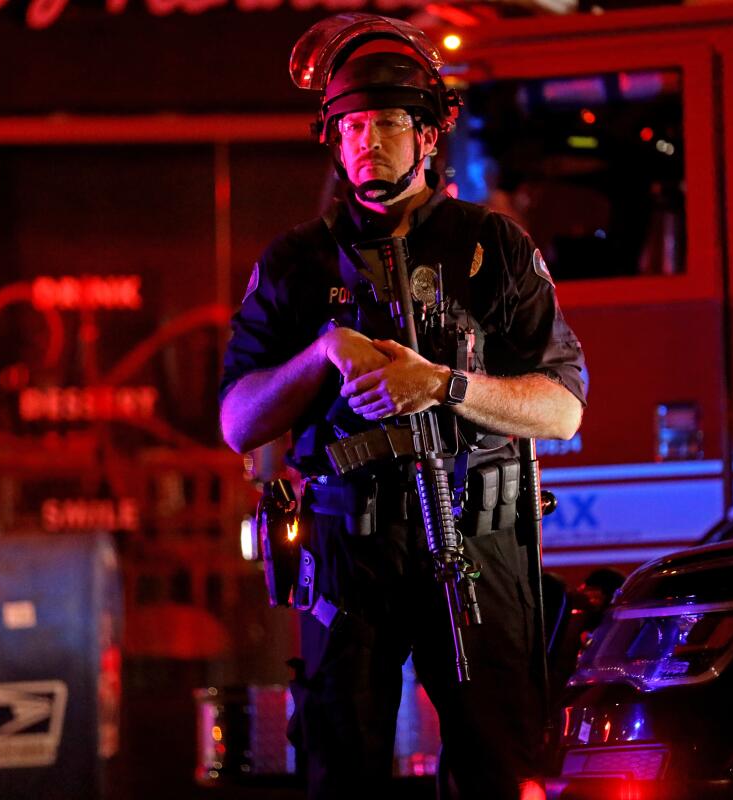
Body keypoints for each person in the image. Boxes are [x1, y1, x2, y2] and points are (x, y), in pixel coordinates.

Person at [219, 13, 587, 799]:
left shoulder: (494, 248)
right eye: (350, 125)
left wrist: (445, 386)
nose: (365, 141)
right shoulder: (295, 264)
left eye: (386, 121)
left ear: (428, 135)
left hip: (477, 543)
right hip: (350, 551)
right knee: (338, 766)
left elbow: (563, 411)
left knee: (500, 762)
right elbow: (238, 421)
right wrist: (320, 353)